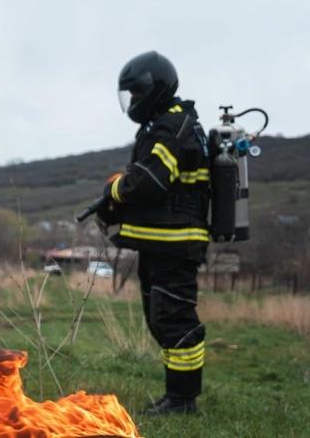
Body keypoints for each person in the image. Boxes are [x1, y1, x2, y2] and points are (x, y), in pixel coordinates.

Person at [98, 51, 211, 415]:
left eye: (135, 94)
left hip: (175, 244)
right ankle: (176, 396)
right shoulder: (167, 123)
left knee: (174, 319)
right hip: (162, 243)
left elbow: (148, 183)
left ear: (154, 89)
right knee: (162, 318)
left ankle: (181, 401)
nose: (132, 102)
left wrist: (115, 189)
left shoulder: (170, 128)